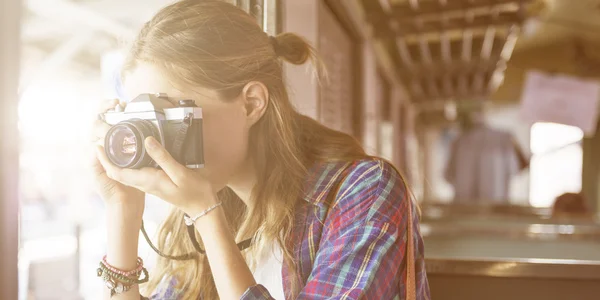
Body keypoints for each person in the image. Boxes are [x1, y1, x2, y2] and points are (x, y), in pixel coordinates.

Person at [90, 1, 430, 299]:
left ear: (252, 104)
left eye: (169, 115)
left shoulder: (365, 191)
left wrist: (207, 216)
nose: (155, 141)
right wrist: (123, 210)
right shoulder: (203, 208)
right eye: (146, 119)